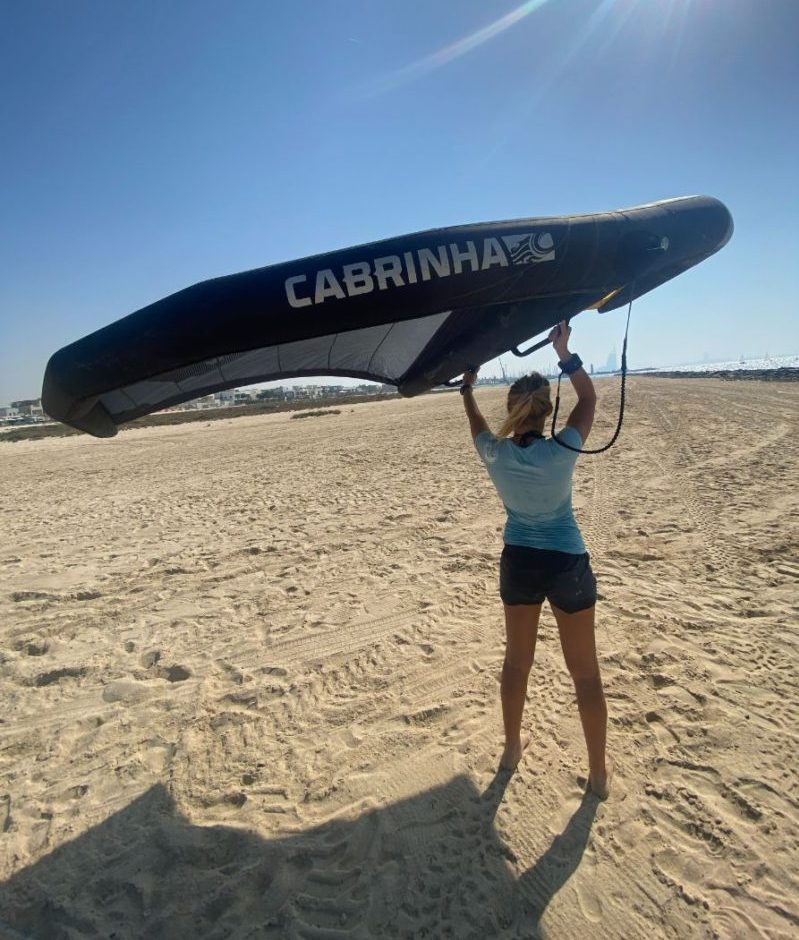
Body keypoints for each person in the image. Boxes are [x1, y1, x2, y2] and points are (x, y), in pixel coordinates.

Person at [460, 320, 610, 799]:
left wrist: (466, 389)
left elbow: (478, 428)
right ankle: (599, 776)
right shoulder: (562, 449)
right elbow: (588, 401)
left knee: (516, 662)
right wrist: (564, 352)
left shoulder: (494, 454)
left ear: (512, 410)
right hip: (566, 562)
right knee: (584, 673)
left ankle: (510, 750)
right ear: (547, 413)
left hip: (519, 561)